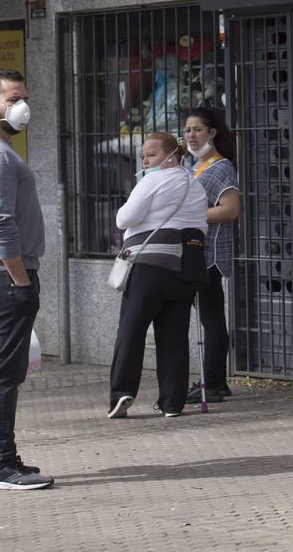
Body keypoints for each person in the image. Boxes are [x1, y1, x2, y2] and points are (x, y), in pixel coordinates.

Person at [0, 68, 53, 490]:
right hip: (4, 278)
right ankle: (1, 466)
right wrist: (20, 280)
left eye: (24, 97)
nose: (22, 107)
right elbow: (1, 224)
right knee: (4, 372)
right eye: (13, 98)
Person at [108, 133, 208, 419]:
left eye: (151, 155)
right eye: (143, 156)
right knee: (174, 336)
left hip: (148, 266)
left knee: (132, 329)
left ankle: (122, 392)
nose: (145, 161)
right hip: (186, 268)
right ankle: (172, 402)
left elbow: (124, 219)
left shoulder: (152, 180)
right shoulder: (196, 185)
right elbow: (201, 227)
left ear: (171, 156)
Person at [182, 106, 239, 403]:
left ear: (212, 132)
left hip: (210, 254)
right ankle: (214, 380)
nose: (191, 135)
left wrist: (192, 215)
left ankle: (213, 382)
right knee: (209, 317)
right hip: (193, 253)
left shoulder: (221, 167)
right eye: (188, 130)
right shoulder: (192, 167)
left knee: (213, 318)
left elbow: (230, 210)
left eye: (198, 130)